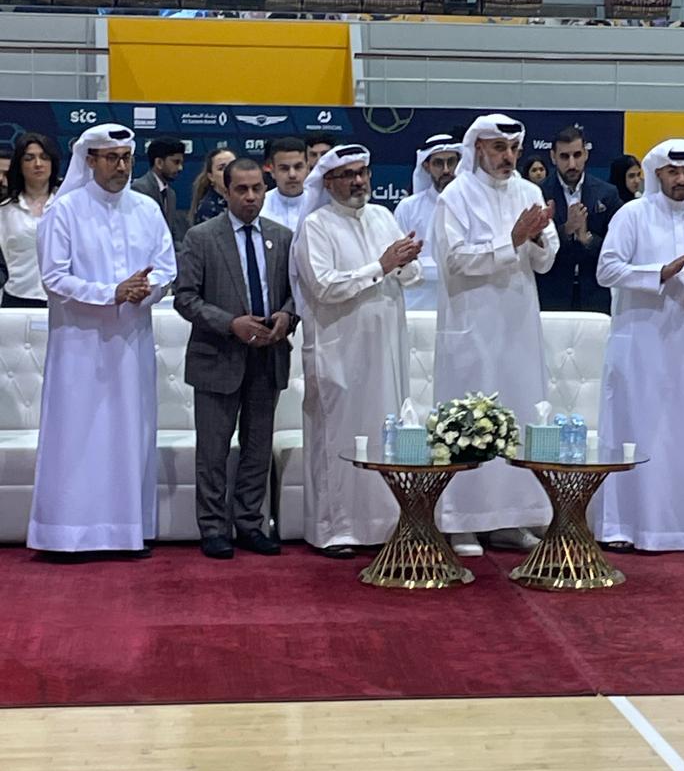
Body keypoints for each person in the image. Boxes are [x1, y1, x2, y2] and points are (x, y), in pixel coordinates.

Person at [27, 124, 176, 556]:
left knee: (129, 433)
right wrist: (111, 293)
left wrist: (146, 291)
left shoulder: (147, 209)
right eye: (112, 158)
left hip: (131, 343)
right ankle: (67, 534)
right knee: (77, 437)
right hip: (79, 347)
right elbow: (54, 279)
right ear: (89, 160)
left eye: (127, 157)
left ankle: (127, 531)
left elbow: (167, 267)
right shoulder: (64, 211)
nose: (121, 167)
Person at [596, 139, 684, 552]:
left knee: (679, 436)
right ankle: (621, 527)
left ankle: (676, 529)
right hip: (638, 344)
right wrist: (660, 272)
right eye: (673, 172)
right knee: (633, 430)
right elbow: (607, 269)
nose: (682, 180)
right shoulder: (632, 214)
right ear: (658, 174)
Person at [433, 113, 559, 557]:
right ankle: (463, 522)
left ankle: (512, 519)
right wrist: (513, 240)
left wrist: (538, 239)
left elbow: (546, 260)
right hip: (473, 326)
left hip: (518, 325)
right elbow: (455, 260)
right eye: (500, 148)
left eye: (514, 149)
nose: (509, 157)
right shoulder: (455, 195)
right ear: (479, 149)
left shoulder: (528, 192)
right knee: (469, 418)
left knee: (520, 414)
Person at [291, 145, 422, 557]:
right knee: (339, 438)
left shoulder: (383, 216)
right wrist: (381, 266)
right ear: (328, 182)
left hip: (386, 350)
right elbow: (324, 286)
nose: (359, 181)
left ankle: (386, 526)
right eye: (348, 174)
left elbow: (411, 275)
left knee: (385, 433)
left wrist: (404, 261)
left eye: (363, 172)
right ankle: (336, 530)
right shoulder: (316, 225)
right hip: (339, 353)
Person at [174, 158, 297, 559]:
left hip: (268, 356)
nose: (250, 197)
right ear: (225, 191)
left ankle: (249, 524)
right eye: (241, 189)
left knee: (257, 449)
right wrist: (230, 324)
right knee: (213, 451)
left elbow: (296, 293)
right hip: (217, 356)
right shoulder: (201, 237)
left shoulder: (283, 237)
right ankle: (213, 528)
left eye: (257, 189)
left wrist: (286, 316)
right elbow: (185, 298)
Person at [537, 125, 621, 313]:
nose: (572, 164)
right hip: (552, 292)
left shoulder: (608, 194)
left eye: (577, 155)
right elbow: (535, 247)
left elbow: (618, 247)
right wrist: (566, 230)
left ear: (586, 154)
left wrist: (587, 238)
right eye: (564, 157)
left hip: (595, 293)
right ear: (553, 157)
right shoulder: (538, 193)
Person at [393, 133, 461, 312]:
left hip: (462, 301)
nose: (446, 170)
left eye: (451, 162)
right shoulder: (408, 208)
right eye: (438, 163)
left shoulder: (473, 205)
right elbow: (398, 262)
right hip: (417, 303)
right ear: (426, 166)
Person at [0, 133, 61, 308]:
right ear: (19, 165)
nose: (38, 164)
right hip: (16, 298)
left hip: (62, 300)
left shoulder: (68, 207)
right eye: (29, 158)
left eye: (44, 157)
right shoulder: (5, 210)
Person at [132, 138, 186, 246]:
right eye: (176, 162)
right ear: (159, 163)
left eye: (181, 163)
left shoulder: (171, 194)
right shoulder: (139, 190)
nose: (180, 168)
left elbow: (171, 233)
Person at [261, 136, 309, 232]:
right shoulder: (260, 207)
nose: (292, 175)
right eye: (284, 168)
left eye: (298, 167)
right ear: (272, 171)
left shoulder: (320, 204)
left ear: (307, 168)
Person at [190, 146, 236, 225]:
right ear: (211, 176)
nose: (229, 172)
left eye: (233, 166)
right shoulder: (208, 209)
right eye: (221, 168)